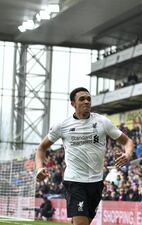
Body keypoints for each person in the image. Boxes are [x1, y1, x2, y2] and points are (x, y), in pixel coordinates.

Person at [35, 87, 135, 225]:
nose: (86, 101)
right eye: (82, 99)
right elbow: (41, 148)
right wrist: (40, 167)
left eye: (88, 99)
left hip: (96, 183)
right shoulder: (62, 125)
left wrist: (128, 154)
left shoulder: (102, 122)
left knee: (85, 222)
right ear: (73, 104)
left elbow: (127, 141)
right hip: (74, 182)